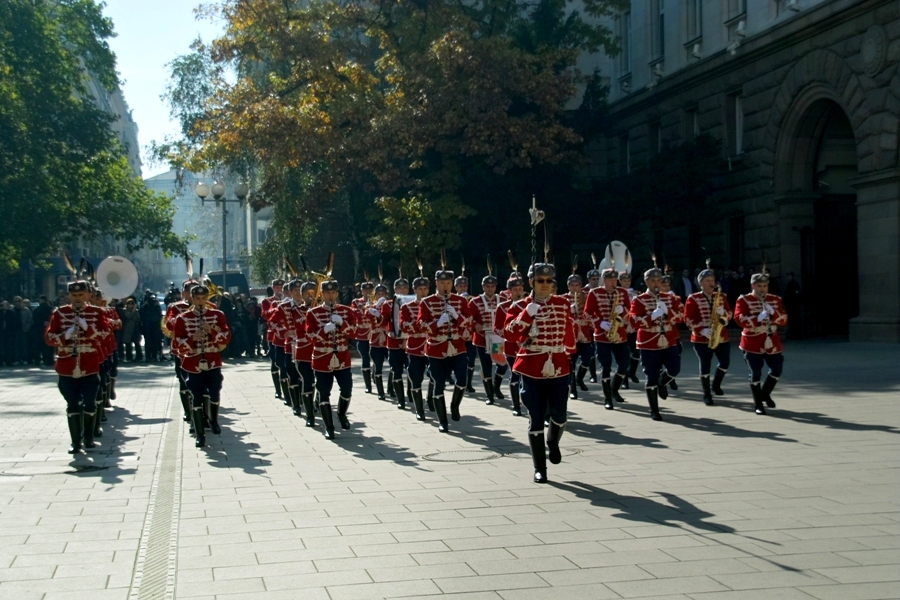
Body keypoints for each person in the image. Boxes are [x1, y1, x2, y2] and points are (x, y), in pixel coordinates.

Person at [504, 263, 575, 484]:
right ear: (531, 282)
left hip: (558, 365)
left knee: (559, 413)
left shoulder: (562, 303)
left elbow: (568, 331)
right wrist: (526, 314)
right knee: (535, 416)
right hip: (532, 366)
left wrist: (571, 351)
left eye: (549, 281)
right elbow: (509, 334)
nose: (545, 285)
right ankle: (539, 468)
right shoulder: (519, 306)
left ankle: (553, 441)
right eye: (540, 281)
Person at [44, 281, 111, 453]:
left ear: (88, 295)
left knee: (89, 403)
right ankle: (75, 442)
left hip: (89, 364)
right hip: (67, 365)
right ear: (69, 296)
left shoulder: (96, 313)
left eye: (81, 295)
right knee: (72, 404)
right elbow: (49, 337)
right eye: (74, 296)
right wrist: (65, 335)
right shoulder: (60, 313)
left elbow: (105, 336)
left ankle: (88, 438)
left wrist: (88, 328)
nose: (77, 299)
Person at [416, 267, 475, 432]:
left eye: (448, 283)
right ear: (436, 283)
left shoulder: (461, 301)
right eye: (442, 283)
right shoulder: (427, 302)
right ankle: (443, 421)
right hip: (436, 348)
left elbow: (469, 320)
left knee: (462, 380)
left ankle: (455, 406)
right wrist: (437, 323)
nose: (445, 286)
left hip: (458, 347)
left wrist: (457, 316)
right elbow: (420, 325)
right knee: (439, 384)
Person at [172, 285, 232, 447]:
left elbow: (226, 337)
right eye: (197, 299)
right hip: (192, 363)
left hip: (213, 361)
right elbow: (177, 343)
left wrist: (211, 330)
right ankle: (200, 434)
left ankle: (213, 420)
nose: (200, 302)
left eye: (203, 299)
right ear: (192, 298)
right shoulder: (182, 318)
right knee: (196, 397)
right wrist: (192, 338)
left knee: (214, 393)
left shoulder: (217, 315)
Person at [306, 279, 358, 439]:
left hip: (342, 357)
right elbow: (309, 336)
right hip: (322, 358)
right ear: (321, 294)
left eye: (333, 292)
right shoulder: (313, 313)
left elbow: (354, 333)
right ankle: (329, 427)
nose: (330, 296)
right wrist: (323, 331)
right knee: (323, 393)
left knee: (347, 390)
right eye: (326, 292)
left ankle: (342, 414)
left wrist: (342, 324)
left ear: (337, 293)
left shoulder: (346, 311)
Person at [629, 267, 683, 421]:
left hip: (668, 340)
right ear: (646, 282)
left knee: (674, 368)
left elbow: (680, 316)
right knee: (651, 375)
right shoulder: (639, 300)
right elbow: (634, 321)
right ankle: (654, 410)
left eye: (659, 280)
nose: (656, 283)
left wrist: (668, 313)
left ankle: (662, 383)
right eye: (653, 280)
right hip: (648, 342)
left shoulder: (671, 298)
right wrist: (651, 316)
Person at [734, 272, 788, 415]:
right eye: (759, 286)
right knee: (755, 372)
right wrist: (757, 318)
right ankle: (758, 404)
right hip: (752, 341)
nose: (763, 289)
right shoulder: (744, 300)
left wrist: (773, 312)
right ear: (753, 285)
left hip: (772, 340)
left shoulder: (774, 300)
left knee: (777, 369)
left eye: (765, 286)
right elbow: (739, 319)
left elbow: (783, 320)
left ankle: (764, 394)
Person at [584, 268, 632, 409]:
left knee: (624, 364)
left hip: (619, 334)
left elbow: (630, 311)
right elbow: (587, 314)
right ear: (603, 280)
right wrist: (599, 323)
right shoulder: (594, 293)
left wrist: (623, 310)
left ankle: (614, 389)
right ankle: (607, 398)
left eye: (614, 280)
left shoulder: (622, 292)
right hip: (602, 335)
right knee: (605, 367)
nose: (613, 282)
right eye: (610, 280)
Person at [684, 269, 733, 405]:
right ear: (701, 283)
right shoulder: (693, 298)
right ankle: (706, 394)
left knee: (725, 362)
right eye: (708, 281)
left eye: (712, 280)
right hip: (701, 338)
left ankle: (716, 385)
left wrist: (724, 314)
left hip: (720, 335)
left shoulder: (721, 296)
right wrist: (700, 330)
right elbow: (687, 318)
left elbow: (730, 313)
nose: (711, 283)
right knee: (705, 365)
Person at [470, 273, 507, 404]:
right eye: (487, 286)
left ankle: (496, 387)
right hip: (482, 338)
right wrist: (475, 325)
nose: (490, 289)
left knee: (502, 364)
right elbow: (469, 318)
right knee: (486, 367)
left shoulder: (502, 300)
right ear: (483, 287)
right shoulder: (475, 301)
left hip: (498, 338)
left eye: (492, 286)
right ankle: (489, 395)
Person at [493, 273, 527, 415]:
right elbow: (497, 328)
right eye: (515, 290)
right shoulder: (502, 307)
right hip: (512, 347)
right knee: (514, 374)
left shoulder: (529, 304)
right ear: (509, 291)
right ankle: (516, 406)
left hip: (527, 346)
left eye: (520, 289)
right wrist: (511, 336)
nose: (518, 292)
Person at [400, 276, 430, 421]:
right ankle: (419, 409)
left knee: (435, 376)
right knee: (415, 377)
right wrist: (422, 325)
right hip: (415, 347)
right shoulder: (406, 307)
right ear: (415, 290)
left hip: (432, 345)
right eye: (420, 289)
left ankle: (431, 400)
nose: (423, 292)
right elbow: (404, 325)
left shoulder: (434, 305)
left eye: (425, 289)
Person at [381, 277, 411, 409]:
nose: (402, 290)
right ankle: (400, 399)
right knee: (396, 370)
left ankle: (411, 394)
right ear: (395, 290)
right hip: (394, 342)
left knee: (412, 370)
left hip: (410, 342)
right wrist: (375, 315)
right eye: (399, 288)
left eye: (404, 288)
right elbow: (383, 322)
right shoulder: (388, 304)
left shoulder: (413, 302)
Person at [562, 274, 592, 400]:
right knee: (571, 363)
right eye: (572, 285)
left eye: (577, 285)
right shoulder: (563, 298)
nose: (575, 288)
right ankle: (572, 388)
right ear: (568, 286)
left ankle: (580, 379)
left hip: (584, 331)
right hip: (571, 333)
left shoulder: (586, 297)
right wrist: (570, 312)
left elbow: (591, 312)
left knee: (586, 358)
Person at [261, 279, 287, 400]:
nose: (279, 289)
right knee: (274, 362)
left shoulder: (288, 300)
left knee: (285, 363)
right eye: (277, 287)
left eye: (281, 287)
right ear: (273, 288)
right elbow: (265, 315)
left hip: (286, 335)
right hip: (273, 336)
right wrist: (277, 306)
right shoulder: (267, 301)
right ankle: (278, 389)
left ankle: (287, 388)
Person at [351, 281, 376, 393]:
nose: (368, 292)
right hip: (362, 334)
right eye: (365, 290)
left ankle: (376, 373)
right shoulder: (356, 302)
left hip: (375, 333)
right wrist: (363, 308)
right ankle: (368, 385)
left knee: (376, 357)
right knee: (365, 358)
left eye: (370, 290)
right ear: (361, 291)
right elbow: (353, 314)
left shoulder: (377, 301)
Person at [453, 274, 477, 393]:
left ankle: (469, 383)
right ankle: (455, 379)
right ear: (456, 287)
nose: (463, 288)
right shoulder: (452, 300)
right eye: (460, 286)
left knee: (471, 360)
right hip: (458, 336)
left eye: (464, 286)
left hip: (470, 335)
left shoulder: (472, 299)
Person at [617, 271, 641, 388]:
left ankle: (632, 372)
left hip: (633, 326)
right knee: (625, 354)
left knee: (636, 352)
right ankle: (624, 379)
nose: (626, 283)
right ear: (620, 281)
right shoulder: (617, 293)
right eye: (624, 281)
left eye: (628, 281)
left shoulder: (636, 293)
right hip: (623, 325)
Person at [140, 290, 163, 362]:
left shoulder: (156, 304)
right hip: (147, 325)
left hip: (155, 325)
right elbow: (141, 313)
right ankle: (148, 356)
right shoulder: (144, 304)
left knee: (155, 341)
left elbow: (160, 314)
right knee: (148, 342)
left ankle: (154, 356)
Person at [32, 296, 55, 366]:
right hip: (49, 329)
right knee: (48, 345)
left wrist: (42, 322)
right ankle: (48, 360)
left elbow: (34, 320)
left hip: (39, 329)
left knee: (38, 345)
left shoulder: (36, 310)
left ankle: (37, 360)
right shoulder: (51, 309)